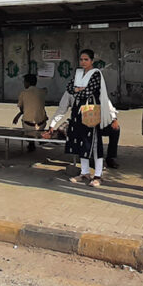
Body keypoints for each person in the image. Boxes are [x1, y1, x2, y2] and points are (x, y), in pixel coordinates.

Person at [48, 49, 113, 188]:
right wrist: (78, 89)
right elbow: (70, 87)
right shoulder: (78, 73)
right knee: (81, 141)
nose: (83, 62)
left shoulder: (96, 74)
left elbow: (88, 91)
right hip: (78, 112)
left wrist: (77, 90)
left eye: (86, 59)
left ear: (92, 60)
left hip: (91, 111)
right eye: (81, 59)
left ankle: (98, 174)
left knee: (95, 143)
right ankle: (84, 172)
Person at [13, 74, 48, 152]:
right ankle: (39, 135)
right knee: (43, 115)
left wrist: (19, 114)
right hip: (41, 125)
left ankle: (31, 142)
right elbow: (45, 90)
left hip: (28, 126)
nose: (24, 83)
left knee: (25, 119)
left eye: (24, 82)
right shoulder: (42, 92)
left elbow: (21, 108)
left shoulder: (23, 93)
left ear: (27, 83)